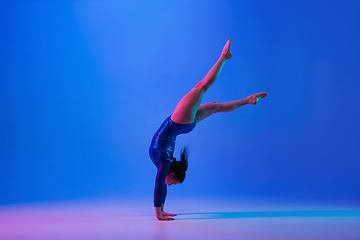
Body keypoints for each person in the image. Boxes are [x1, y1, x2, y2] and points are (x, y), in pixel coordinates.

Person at [149, 39, 268, 220]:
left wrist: (159, 213)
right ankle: (248, 99)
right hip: (181, 124)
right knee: (215, 104)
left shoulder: (164, 164)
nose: (169, 184)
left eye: (172, 183)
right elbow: (162, 185)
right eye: (172, 183)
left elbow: (160, 185)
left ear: (171, 174)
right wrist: (162, 210)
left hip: (180, 124)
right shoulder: (164, 162)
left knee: (203, 89)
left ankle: (224, 58)